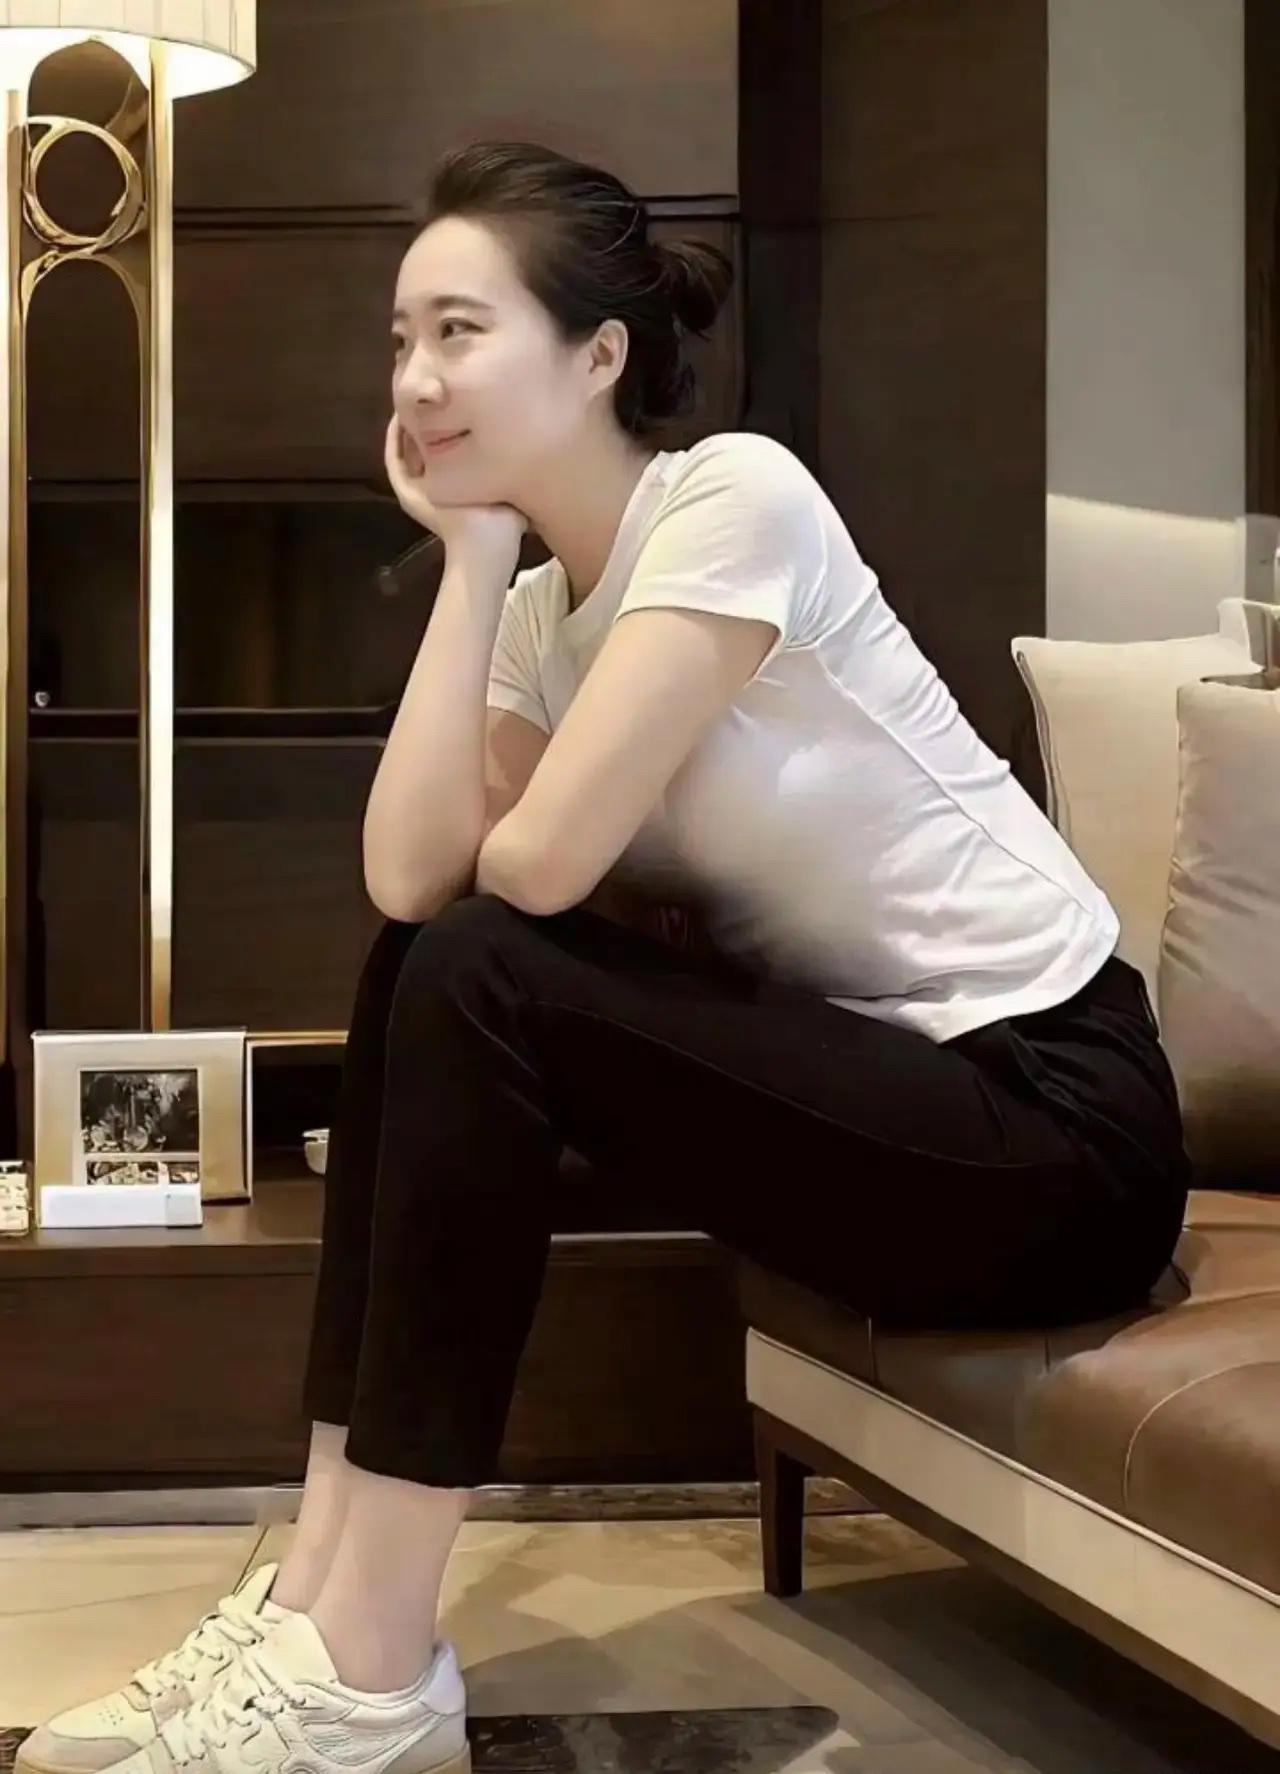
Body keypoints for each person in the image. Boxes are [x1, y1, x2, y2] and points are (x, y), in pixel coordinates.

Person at [21, 141, 1191, 1774]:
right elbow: (408, 874)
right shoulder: (539, 605)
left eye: (458, 331)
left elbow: (537, 866)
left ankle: (368, 1663)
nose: (414, 382)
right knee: (425, 962)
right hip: (884, 1105)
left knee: (486, 968)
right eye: (400, 341)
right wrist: (474, 565)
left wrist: (498, 757)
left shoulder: (736, 501)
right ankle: (313, 1603)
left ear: (598, 355)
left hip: (1055, 1127)